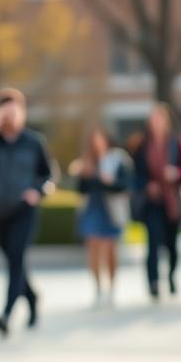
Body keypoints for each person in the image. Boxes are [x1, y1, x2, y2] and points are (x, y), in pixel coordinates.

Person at [0, 88, 55, 336]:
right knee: (14, 261)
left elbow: (48, 174)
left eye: (14, 111)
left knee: (16, 258)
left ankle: (6, 314)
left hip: (23, 211)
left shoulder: (33, 142)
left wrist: (37, 190)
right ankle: (32, 296)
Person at [130, 102, 181, 300]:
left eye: (160, 120)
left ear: (166, 122)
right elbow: (135, 176)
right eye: (153, 120)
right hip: (152, 203)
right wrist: (147, 185)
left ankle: (171, 275)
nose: (156, 124)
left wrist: (176, 173)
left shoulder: (178, 143)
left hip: (173, 202)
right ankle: (153, 282)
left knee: (172, 246)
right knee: (152, 243)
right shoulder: (141, 146)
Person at [68, 126, 131, 306]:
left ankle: (111, 288)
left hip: (111, 210)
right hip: (92, 209)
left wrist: (108, 181)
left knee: (110, 250)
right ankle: (98, 288)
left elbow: (124, 185)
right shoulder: (86, 163)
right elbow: (80, 189)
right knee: (93, 249)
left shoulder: (117, 159)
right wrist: (84, 175)